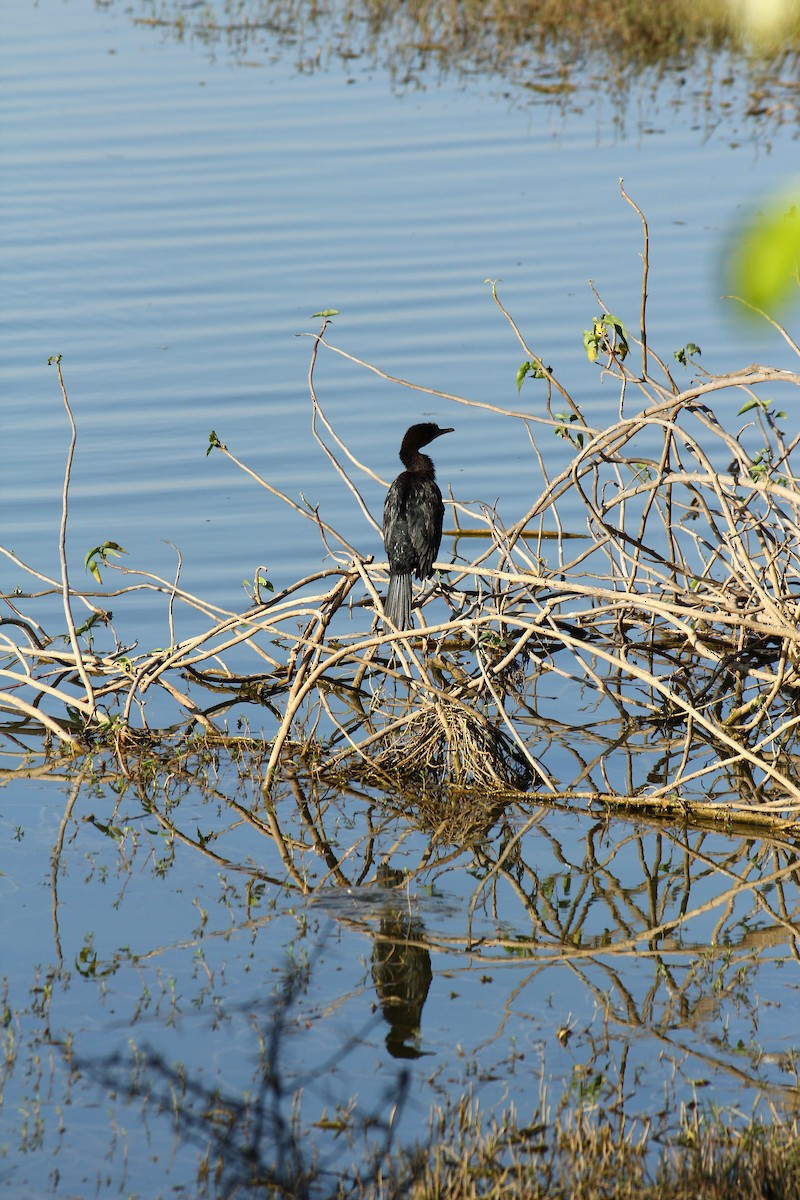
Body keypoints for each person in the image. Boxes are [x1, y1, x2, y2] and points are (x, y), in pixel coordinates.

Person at [383, 422, 453, 630]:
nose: (440, 434)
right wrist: (426, 563)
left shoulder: (396, 487)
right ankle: (399, 623)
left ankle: (393, 623)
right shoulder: (428, 489)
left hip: (395, 558)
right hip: (412, 556)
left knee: (400, 571)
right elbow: (428, 531)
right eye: (433, 434)